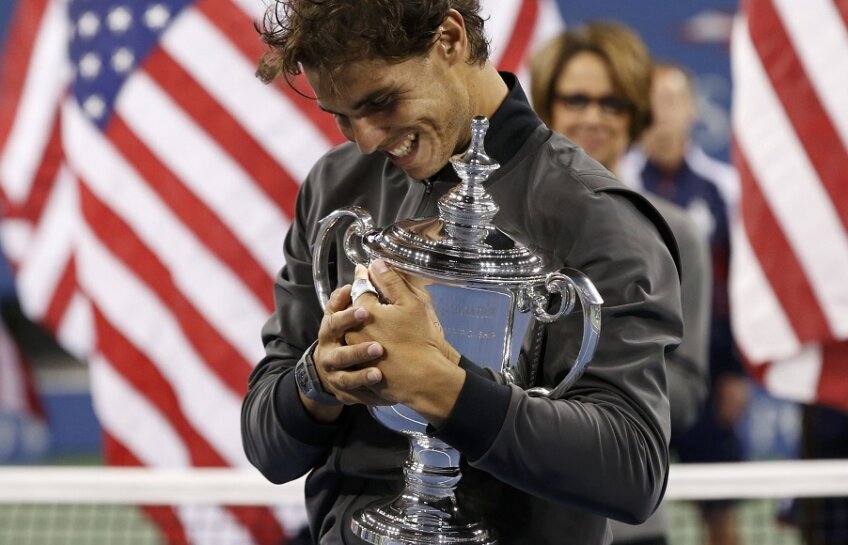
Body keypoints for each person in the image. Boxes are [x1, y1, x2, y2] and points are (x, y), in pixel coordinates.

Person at [241, 3, 685, 544]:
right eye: (342, 116)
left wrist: (441, 386)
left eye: (380, 102)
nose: (366, 140)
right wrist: (320, 378)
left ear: (450, 39)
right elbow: (267, 446)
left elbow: (633, 471)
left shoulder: (600, 218)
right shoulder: (334, 185)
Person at [530, 22, 712, 545]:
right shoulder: (502, 230)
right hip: (517, 513)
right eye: (577, 99)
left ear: (636, 116)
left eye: (613, 103)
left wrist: (576, 389)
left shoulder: (679, 235)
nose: (594, 116)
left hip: (629, 519)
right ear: (547, 106)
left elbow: (687, 389)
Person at [620, 62, 748, 545]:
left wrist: (734, 370)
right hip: (638, 375)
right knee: (634, 504)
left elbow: (739, 286)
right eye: (652, 101)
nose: (662, 112)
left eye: (673, 100)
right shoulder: (617, 185)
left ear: (694, 109)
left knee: (723, 514)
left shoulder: (724, 189)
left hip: (708, 378)